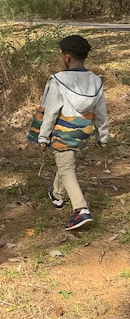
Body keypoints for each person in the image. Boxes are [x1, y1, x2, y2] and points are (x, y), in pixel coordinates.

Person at [31, 34, 109, 230]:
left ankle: (81, 210)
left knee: (66, 167)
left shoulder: (58, 80)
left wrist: (42, 135)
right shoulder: (95, 81)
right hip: (83, 132)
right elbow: (101, 113)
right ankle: (57, 195)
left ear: (66, 57)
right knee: (65, 161)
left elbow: (51, 111)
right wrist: (103, 136)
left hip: (63, 131)